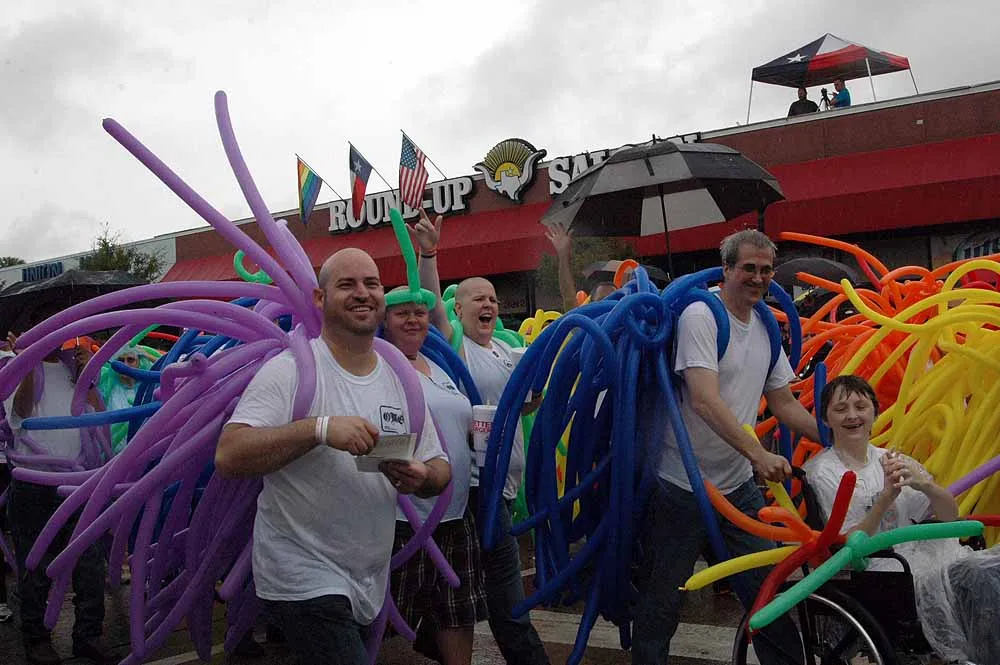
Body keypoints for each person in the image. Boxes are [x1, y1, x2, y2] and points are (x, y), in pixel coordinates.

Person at [215, 248, 451, 665]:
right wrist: (320, 430)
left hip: (368, 576)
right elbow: (229, 455)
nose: (362, 293)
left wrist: (422, 476)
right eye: (347, 284)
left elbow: (439, 465)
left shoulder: (401, 378)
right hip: (301, 573)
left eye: (371, 283)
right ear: (320, 299)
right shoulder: (291, 370)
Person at [631, 229, 820, 665]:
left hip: (736, 486)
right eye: (748, 268)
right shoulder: (702, 314)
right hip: (681, 485)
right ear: (727, 269)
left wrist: (834, 436)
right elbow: (703, 399)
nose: (758, 278)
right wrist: (758, 454)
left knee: (768, 593)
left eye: (766, 270)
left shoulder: (766, 324)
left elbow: (783, 402)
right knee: (662, 603)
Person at [410, 210, 551, 665]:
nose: (488, 304)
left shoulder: (508, 350)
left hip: (504, 491)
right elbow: (432, 303)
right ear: (460, 309)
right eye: (477, 298)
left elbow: (523, 406)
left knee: (469, 586)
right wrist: (429, 254)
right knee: (507, 601)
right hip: (475, 490)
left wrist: (534, 393)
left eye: (492, 298)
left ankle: (427, 636)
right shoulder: (456, 345)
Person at [804, 375, 1000, 663]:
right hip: (878, 571)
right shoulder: (823, 473)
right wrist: (885, 499)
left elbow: (950, 517)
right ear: (826, 419)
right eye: (841, 409)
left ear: (875, 413)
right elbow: (848, 547)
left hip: (916, 559)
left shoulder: (892, 458)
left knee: (989, 570)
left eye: (861, 407)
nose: (852, 416)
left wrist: (926, 486)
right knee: (977, 575)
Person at [382, 291, 489, 665]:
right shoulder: (379, 366)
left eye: (419, 312)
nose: (413, 319)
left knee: (457, 613)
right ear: (384, 320)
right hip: (402, 521)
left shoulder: (438, 367)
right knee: (383, 622)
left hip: (455, 517)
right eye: (402, 313)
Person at [4, 327, 112, 665]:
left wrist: (88, 376)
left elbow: (100, 417)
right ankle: (36, 639)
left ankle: (88, 636)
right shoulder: (15, 366)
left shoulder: (73, 367)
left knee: (90, 565)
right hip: (34, 486)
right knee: (34, 568)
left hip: (78, 484)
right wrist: (26, 364)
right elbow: (20, 414)